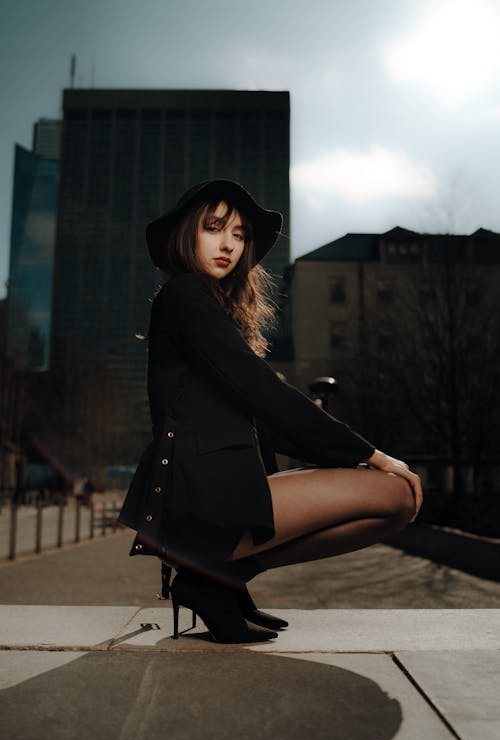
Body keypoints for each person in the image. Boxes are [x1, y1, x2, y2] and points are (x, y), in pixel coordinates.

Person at [118, 178, 423, 644]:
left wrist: (343, 456)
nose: (228, 244)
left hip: (215, 494)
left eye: (239, 235)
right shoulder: (183, 295)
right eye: (214, 228)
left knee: (394, 502)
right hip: (200, 501)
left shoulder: (203, 305)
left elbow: (262, 418)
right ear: (186, 235)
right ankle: (210, 579)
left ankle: (221, 581)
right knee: (395, 496)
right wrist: (371, 454)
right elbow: (263, 392)